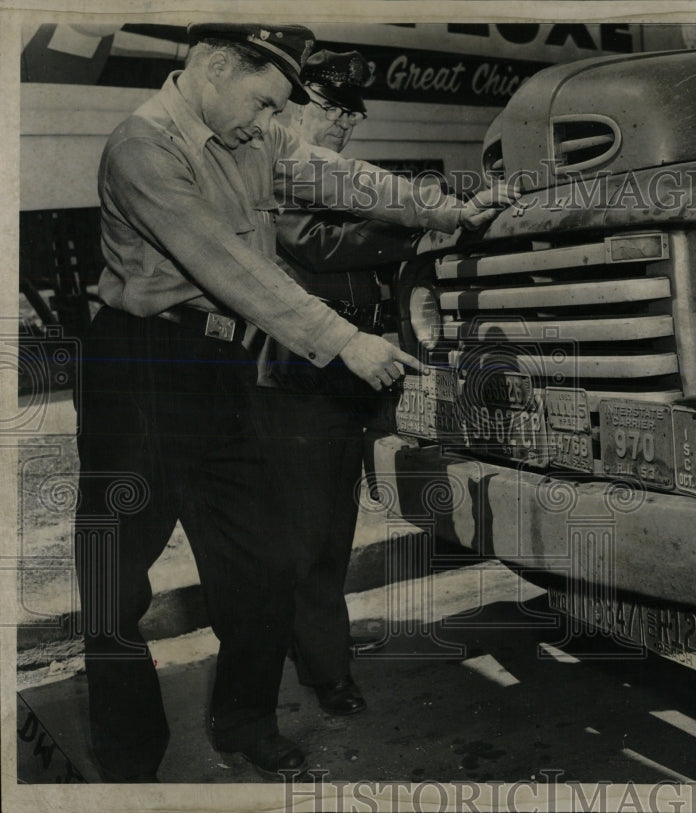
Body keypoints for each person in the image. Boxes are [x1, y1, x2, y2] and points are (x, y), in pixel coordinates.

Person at [75, 22, 516, 782]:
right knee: (114, 582)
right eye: (264, 101)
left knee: (265, 565)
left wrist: (446, 208)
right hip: (139, 369)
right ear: (213, 67)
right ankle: (127, 759)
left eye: (280, 108)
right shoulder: (141, 146)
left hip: (219, 367)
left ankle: (243, 719)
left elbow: (349, 180)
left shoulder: (255, 138)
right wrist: (345, 340)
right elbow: (233, 267)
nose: (272, 121)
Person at [256, 50, 423, 718]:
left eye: (352, 114)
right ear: (295, 106)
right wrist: (411, 228)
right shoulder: (275, 167)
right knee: (312, 535)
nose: (344, 124)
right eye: (331, 108)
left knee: (335, 524)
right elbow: (318, 246)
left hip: (351, 375)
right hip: (301, 374)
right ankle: (327, 669)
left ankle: (313, 641)